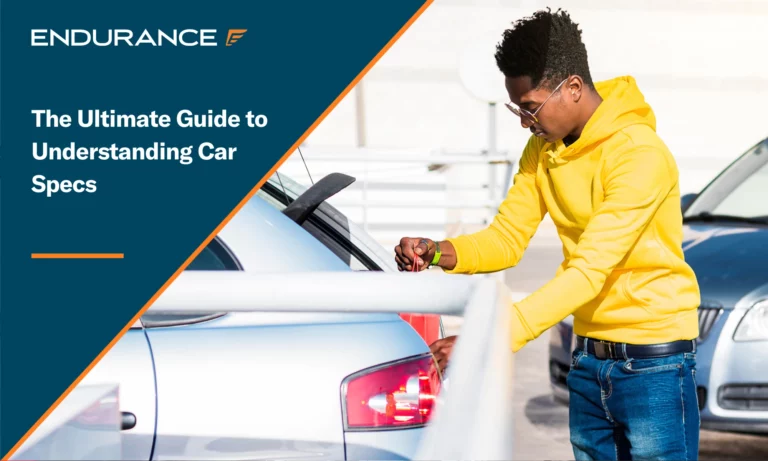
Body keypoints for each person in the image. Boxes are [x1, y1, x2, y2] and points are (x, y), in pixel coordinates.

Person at [395, 8, 702, 461]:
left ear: (573, 88)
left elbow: (588, 272)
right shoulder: (542, 149)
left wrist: (492, 338)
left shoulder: (639, 155)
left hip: (654, 364)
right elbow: (506, 239)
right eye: (516, 108)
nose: (524, 120)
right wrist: (439, 251)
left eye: (531, 106)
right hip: (588, 362)